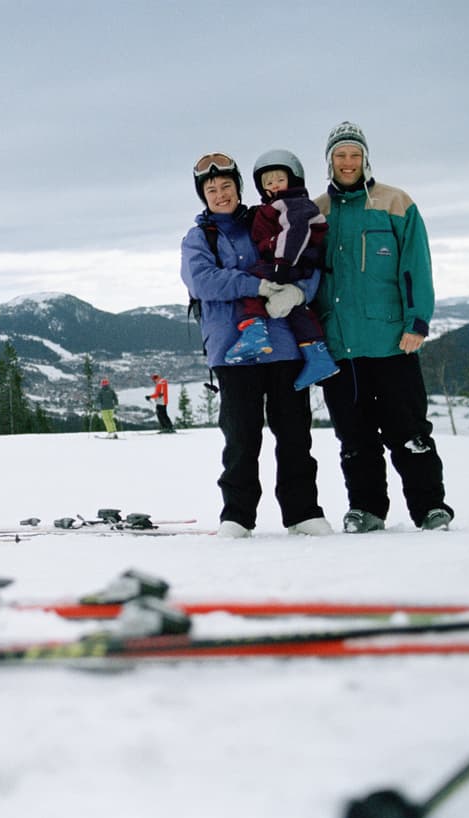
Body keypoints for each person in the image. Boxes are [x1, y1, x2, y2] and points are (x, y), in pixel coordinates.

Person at [180, 151, 332, 538]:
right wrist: (257, 285)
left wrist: (298, 293)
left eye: (226, 186)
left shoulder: (268, 218)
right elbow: (202, 282)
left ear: (238, 188)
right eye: (211, 189)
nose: (220, 194)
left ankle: (303, 512)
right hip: (233, 350)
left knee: (294, 433)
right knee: (242, 437)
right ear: (204, 196)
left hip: (283, 344)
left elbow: (307, 263)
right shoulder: (200, 237)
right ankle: (237, 516)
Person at [313, 121, 455, 532]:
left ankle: (429, 506)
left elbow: (416, 267)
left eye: (354, 154)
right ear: (330, 161)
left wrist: (418, 321)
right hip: (341, 348)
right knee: (355, 439)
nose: (347, 162)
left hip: (393, 341)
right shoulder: (318, 211)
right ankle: (367, 509)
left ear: (365, 159)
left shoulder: (396, 203)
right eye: (340, 155)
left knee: (409, 431)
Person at [225, 149, 341, 392]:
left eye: (280, 179)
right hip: (296, 266)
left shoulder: (294, 204)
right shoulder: (276, 206)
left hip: (291, 264)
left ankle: (254, 330)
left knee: (249, 282)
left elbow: (294, 233)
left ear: (294, 179)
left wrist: (282, 263)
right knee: (297, 310)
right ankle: (317, 355)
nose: (275, 186)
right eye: (268, 182)